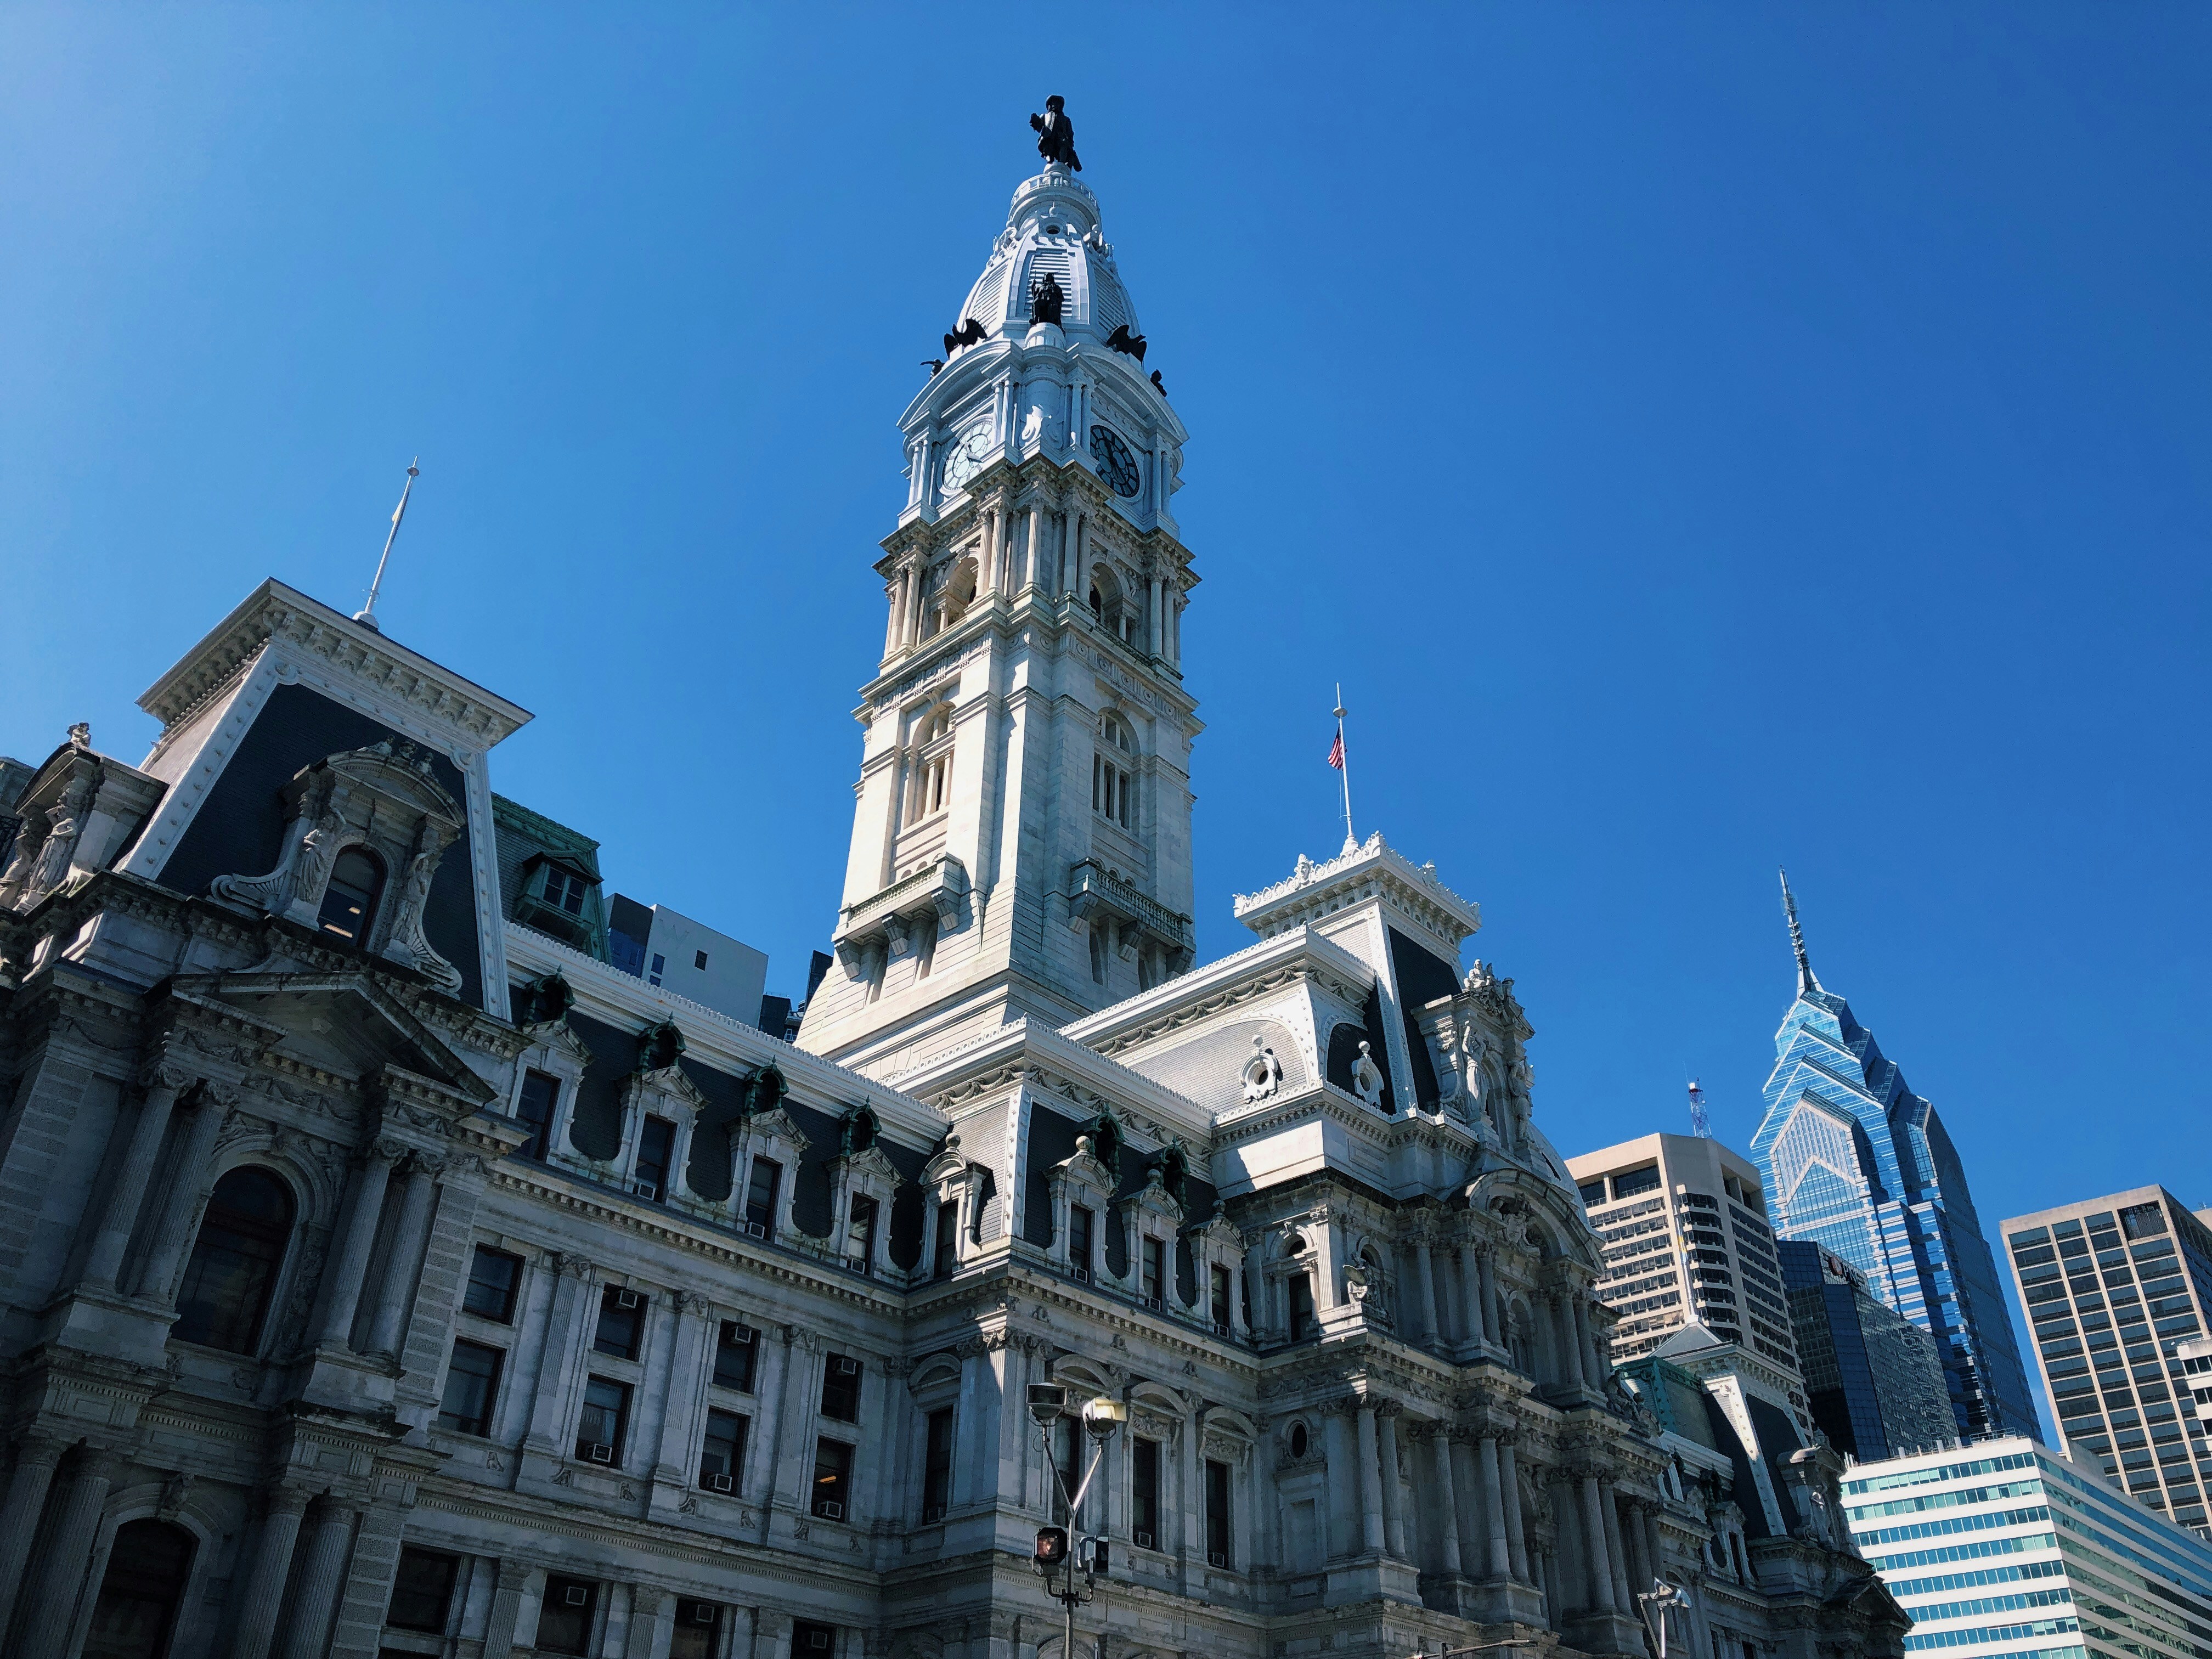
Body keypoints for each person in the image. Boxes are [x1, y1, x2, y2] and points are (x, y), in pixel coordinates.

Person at [1030, 96, 1081, 171]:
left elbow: (1070, 131)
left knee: (1064, 144)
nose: (1055, 105)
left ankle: (1062, 163)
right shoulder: (1045, 116)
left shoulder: (1065, 119)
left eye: (1057, 104)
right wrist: (1035, 121)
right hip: (1048, 136)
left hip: (1061, 136)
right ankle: (1050, 161)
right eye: (1053, 103)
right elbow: (1039, 126)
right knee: (1048, 147)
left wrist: (1070, 140)